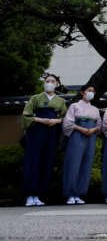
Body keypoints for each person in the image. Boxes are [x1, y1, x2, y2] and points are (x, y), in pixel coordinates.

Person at [21, 73, 67, 207]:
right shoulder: (35, 98)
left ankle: (39, 195)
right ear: (44, 83)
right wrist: (41, 119)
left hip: (52, 132)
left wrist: (56, 120)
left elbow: (66, 118)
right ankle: (30, 195)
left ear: (56, 84)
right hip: (36, 131)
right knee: (33, 161)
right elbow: (26, 115)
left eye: (53, 81)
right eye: (48, 81)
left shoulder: (61, 101)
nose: (50, 83)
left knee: (47, 162)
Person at [62, 85, 102, 205]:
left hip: (91, 136)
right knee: (73, 164)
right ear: (82, 92)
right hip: (77, 135)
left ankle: (79, 193)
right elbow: (68, 122)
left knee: (86, 164)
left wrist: (94, 129)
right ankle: (70, 194)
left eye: (93, 91)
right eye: (89, 91)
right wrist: (81, 128)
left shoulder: (95, 109)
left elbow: (100, 124)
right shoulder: (74, 106)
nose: (91, 93)